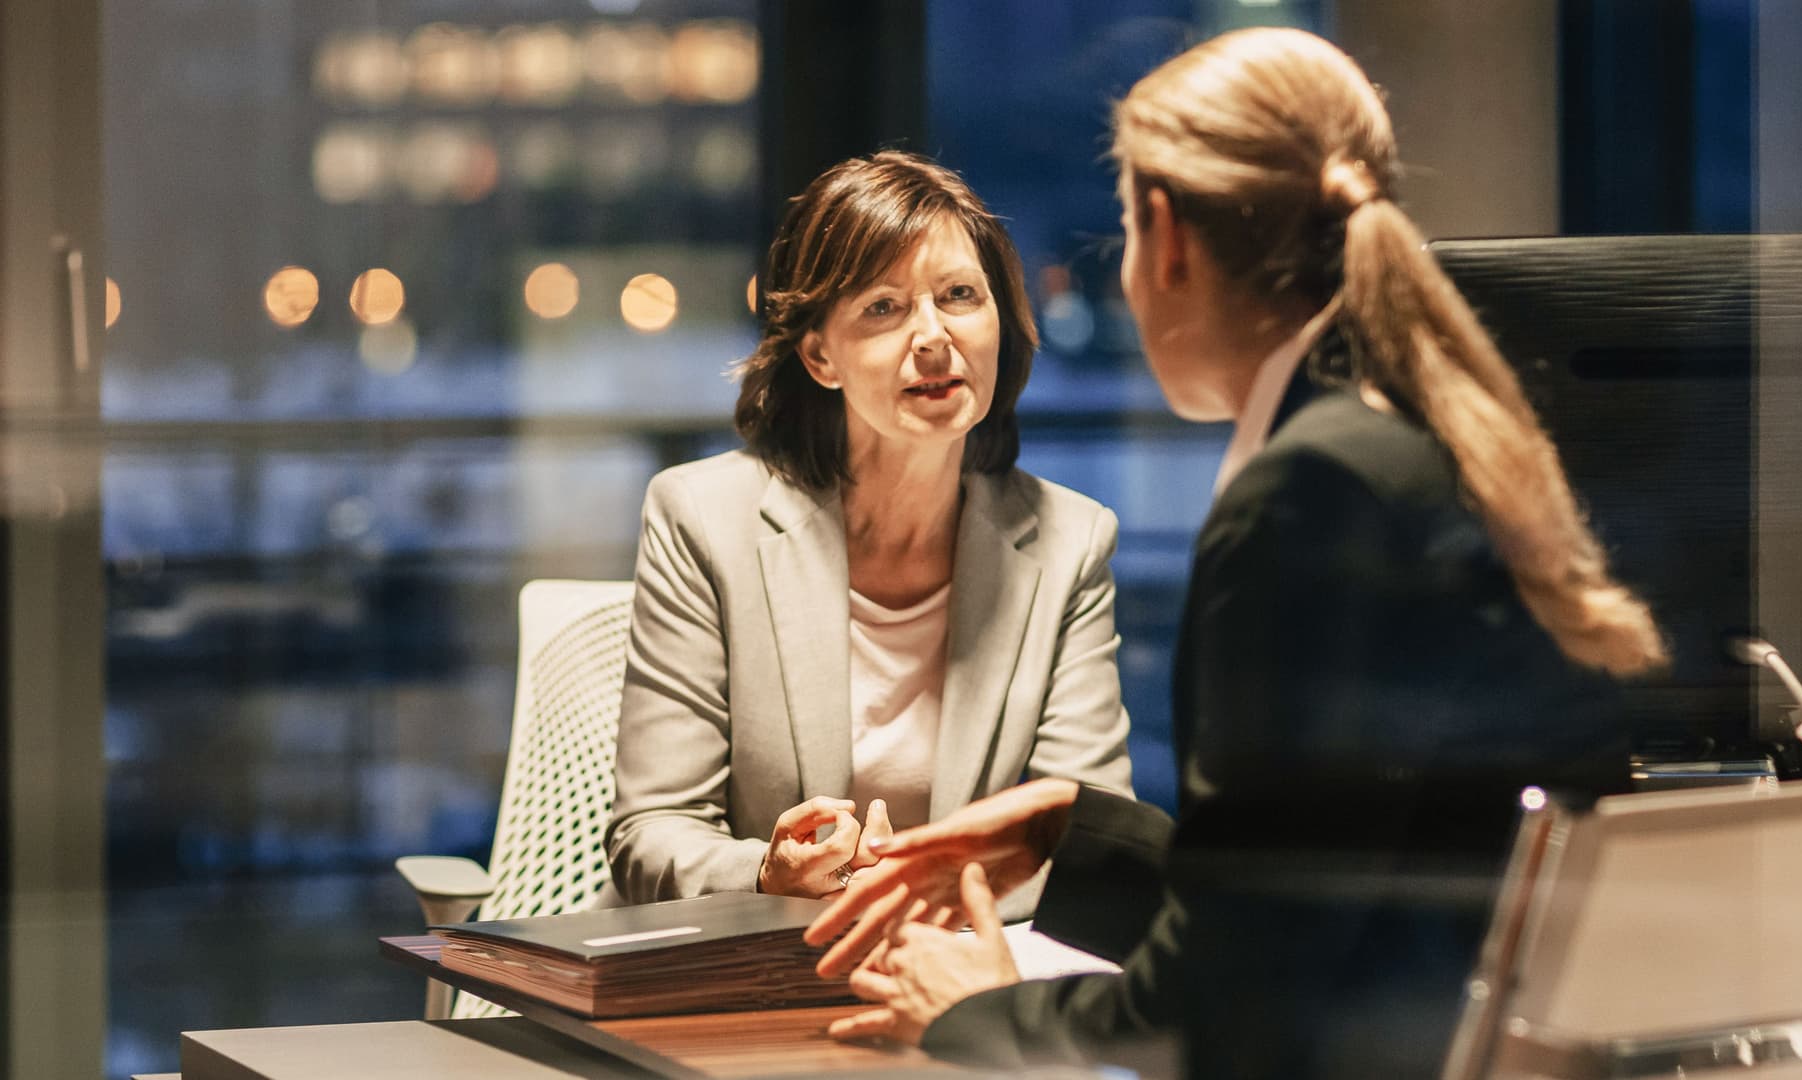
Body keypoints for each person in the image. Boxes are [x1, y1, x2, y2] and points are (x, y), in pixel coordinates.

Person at [805, 28, 1666, 1077]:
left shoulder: (1309, 495)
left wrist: (981, 1012)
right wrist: (1085, 836)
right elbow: (1319, 884)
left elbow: (1220, 1014)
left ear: (1165, 236)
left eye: (1123, 228)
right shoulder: (1414, 436)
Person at [603, 151, 1135, 908]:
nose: (932, 337)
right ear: (821, 354)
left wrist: (924, 891)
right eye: (883, 308)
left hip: (953, 976)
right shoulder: (703, 521)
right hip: (750, 969)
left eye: (959, 295)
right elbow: (651, 832)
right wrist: (765, 872)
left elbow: (1091, 840)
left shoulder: (1069, 543)